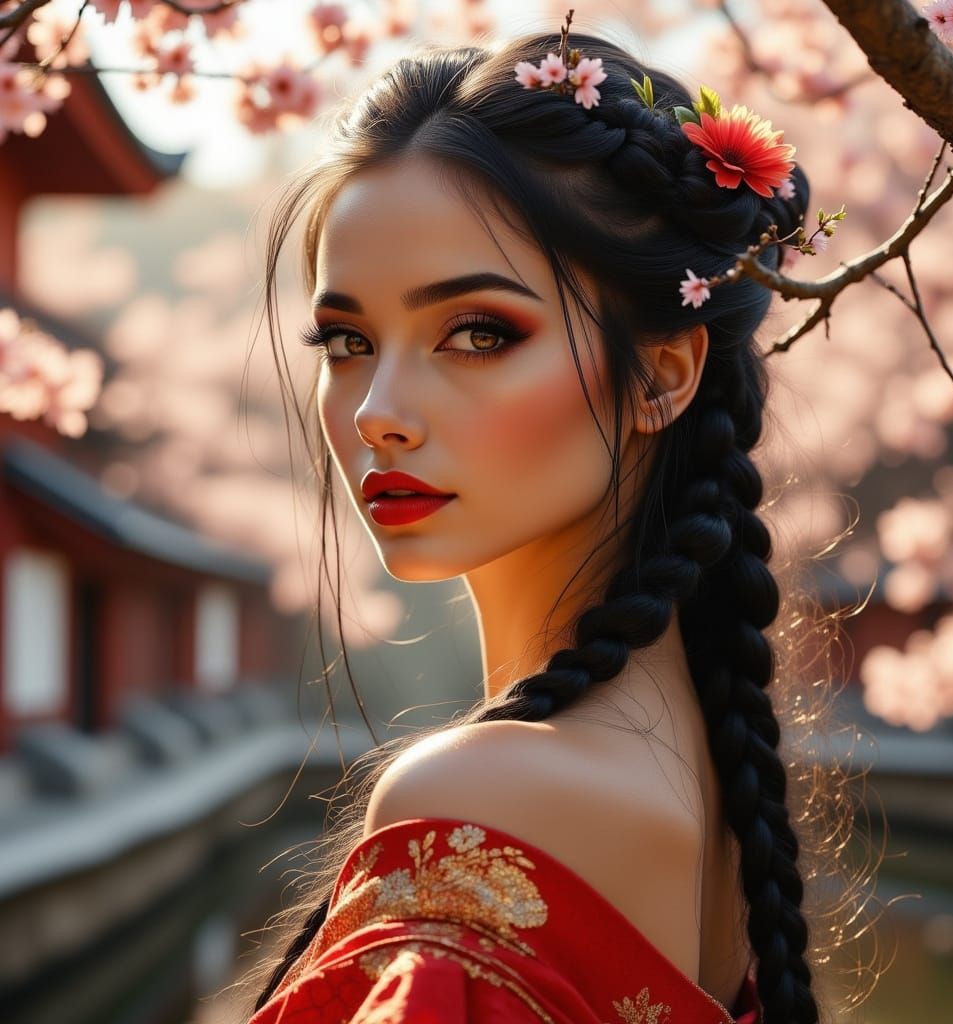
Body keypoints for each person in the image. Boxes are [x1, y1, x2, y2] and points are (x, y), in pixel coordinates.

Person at [236, 13, 863, 1024]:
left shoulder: (481, 800)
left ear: (660, 374)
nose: (376, 412)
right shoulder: (714, 790)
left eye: (478, 332)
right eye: (347, 341)